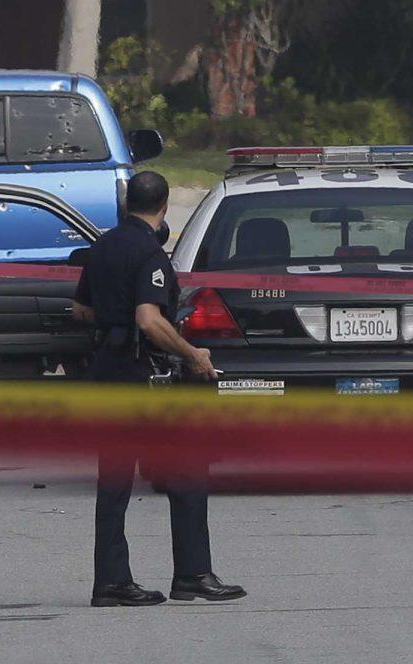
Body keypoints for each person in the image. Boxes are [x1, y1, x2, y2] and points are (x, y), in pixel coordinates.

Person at [72, 171, 246, 607]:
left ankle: (110, 582)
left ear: (127, 202)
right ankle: (192, 574)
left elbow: (79, 309)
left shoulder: (103, 246)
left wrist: (111, 324)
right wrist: (192, 354)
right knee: (187, 469)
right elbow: (148, 319)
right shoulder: (149, 252)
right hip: (141, 378)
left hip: (108, 375)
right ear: (165, 206)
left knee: (113, 482)